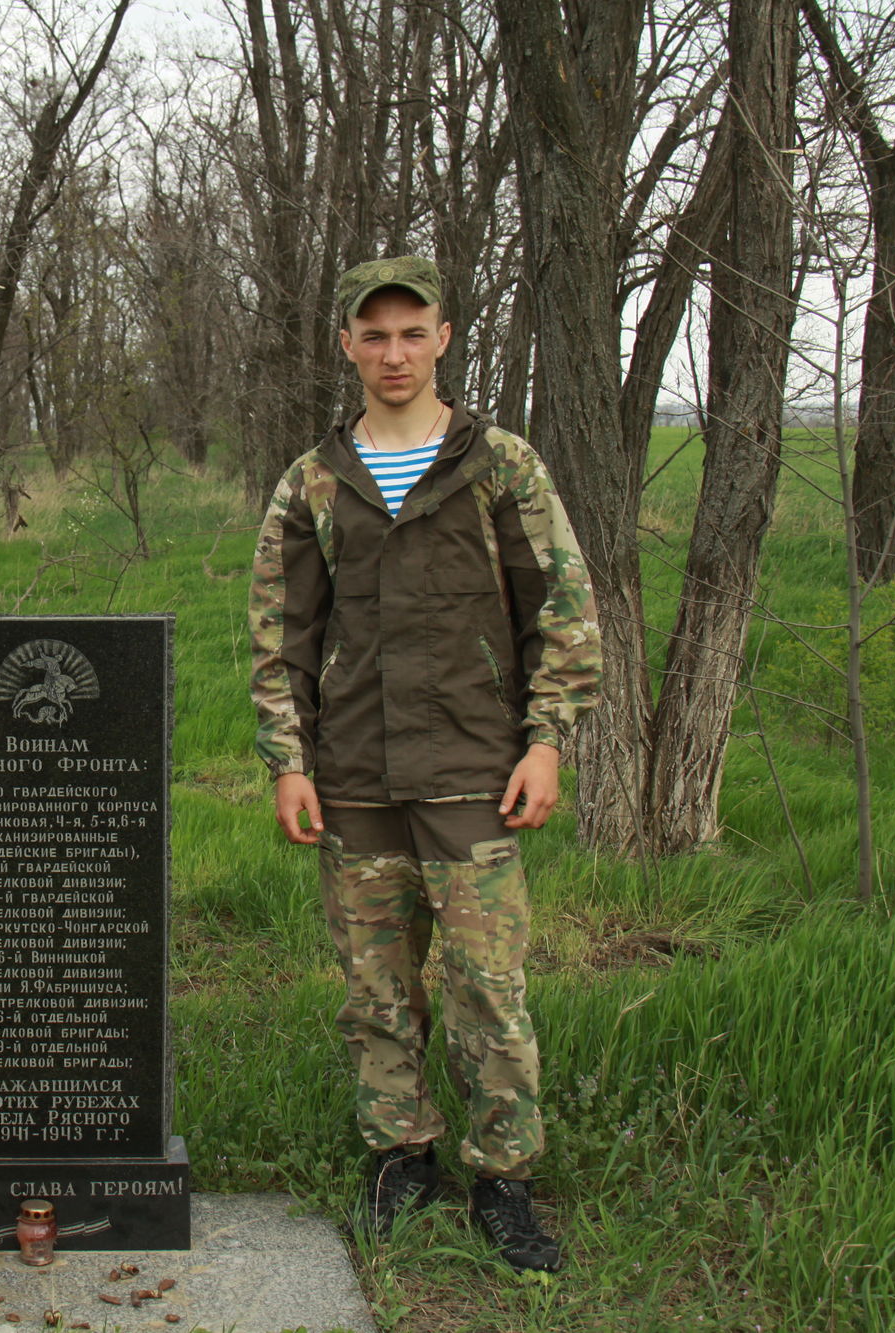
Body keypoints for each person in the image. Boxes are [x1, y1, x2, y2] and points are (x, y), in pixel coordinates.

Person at [247, 255, 601, 1272]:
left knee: (489, 987)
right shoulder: (313, 481)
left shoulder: (500, 466)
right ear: (348, 346)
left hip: (474, 774)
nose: (393, 353)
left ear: (443, 338)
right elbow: (279, 634)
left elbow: (562, 611)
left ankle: (504, 1176)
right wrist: (289, 760)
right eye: (374, 335)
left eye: (412, 333)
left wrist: (546, 740)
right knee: (376, 988)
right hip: (355, 778)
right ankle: (399, 1156)